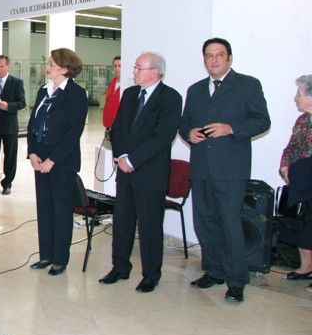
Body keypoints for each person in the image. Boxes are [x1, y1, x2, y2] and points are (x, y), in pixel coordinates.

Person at [179, 37, 270, 303]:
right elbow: (184, 123)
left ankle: (237, 280)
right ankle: (214, 270)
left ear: (229, 58)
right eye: (209, 56)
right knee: (205, 223)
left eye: (220, 55)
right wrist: (188, 133)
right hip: (201, 168)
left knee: (230, 225)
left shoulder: (248, 85)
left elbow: (262, 121)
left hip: (230, 170)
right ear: (204, 60)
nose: (214, 60)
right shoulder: (195, 89)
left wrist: (231, 128)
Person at [98, 52, 182, 293]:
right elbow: (117, 128)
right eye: (134, 67)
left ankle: (151, 275)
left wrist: (133, 159)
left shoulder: (170, 98)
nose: (133, 72)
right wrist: (122, 156)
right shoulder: (130, 94)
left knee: (150, 227)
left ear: (154, 72)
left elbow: (162, 137)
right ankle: (120, 267)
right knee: (122, 223)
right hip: (125, 171)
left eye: (138, 68)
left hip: (150, 173)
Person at [27, 48, 88, 275]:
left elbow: (74, 132)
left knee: (61, 210)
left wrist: (52, 160)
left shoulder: (76, 94)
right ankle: (46, 255)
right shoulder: (44, 91)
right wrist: (33, 153)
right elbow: (34, 124)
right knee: (44, 208)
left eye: (52, 63)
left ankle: (60, 259)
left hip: (62, 162)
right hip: (40, 159)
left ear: (65, 68)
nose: (48, 67)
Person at [278, 75, 312, 293]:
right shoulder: (302, 121)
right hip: (303, 182)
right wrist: (285, 167)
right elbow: (291, 148)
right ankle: (306, 268)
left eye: (299, 94)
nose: (295, 98)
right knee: (304, 226)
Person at [0, 55, 26, 195]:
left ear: (8, 67)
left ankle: (7, 183)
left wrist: (8, 105)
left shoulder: (17, 82)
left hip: (9, 124)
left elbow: (22, 102)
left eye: (2, 66)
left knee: (10, 155)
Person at [103, 55, 122, 129]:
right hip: (108, 124)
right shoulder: (112, 83)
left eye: (120, 66)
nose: (117, 68)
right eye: (115, 66)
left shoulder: (126, 86)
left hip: (119, 126)